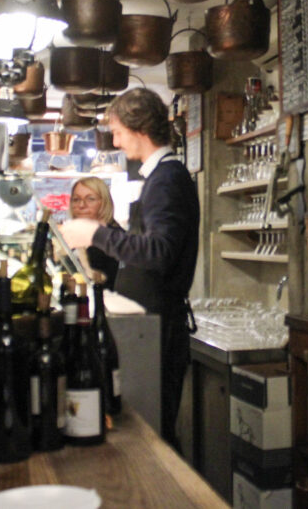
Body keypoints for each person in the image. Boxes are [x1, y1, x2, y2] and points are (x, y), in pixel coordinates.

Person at [61, 88, 199, 450]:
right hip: (148, 323)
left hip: (161, 327)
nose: (116, 141)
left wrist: (95, 233)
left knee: (154, 435)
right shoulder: (159, 177)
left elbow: (159, 252)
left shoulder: (167, 179)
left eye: (118, 131)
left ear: (139, 128)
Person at [68, 176, 122, 289]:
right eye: (76, 199)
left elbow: (108, 280)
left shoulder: (115, 237)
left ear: (104, 202)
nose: (81, 205)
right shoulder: (73, 232)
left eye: (90, 199)